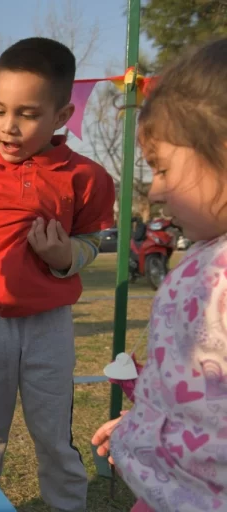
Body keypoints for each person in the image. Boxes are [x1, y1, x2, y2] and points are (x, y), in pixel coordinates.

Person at [0, 37, 116, 511]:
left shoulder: (89, 178)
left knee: (53, 432)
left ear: (61, 117)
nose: (8, 127)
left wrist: (65, 256)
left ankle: (67, 505)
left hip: (49, 323)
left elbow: (93, 242)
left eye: (27, 114)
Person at [92, 37, 227, 512]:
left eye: (164, 169)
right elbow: (202, 390)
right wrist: (143, 421)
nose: (157, 190)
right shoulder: (204, 256)